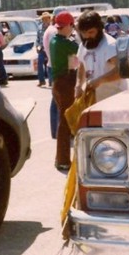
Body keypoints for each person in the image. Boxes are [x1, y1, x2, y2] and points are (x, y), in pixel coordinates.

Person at [74, 11, 128, 102]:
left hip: (115, 98)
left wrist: (100, 80)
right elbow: (82, 65)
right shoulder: (83, 45)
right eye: (84, 33)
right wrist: (78, 85)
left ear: (99, 29)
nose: (87, 36)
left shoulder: (109, 45)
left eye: (91, 32)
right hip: (95, 99)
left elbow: (121, 71)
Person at [49, 11, 79, 170]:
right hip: (65, 83)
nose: (72, 28)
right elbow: (79, 52)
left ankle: (61, 159)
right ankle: (62, 160)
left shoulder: (54, 40)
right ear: (67, 25)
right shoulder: (66, 43)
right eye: (72, 25)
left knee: (63, 121)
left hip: (58, 83)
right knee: (65, 123)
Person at [43, 6, 67, 139]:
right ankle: (57, 131)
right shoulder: (54, 31)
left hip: (52, 65)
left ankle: (56, 131)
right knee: (58, 101)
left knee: (56, 100)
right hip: (56, 67)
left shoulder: (49, 30)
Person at [36, 12, 51, 87]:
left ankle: (51, 81)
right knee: (39, 64)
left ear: (49, 19)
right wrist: (37, 46)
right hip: (41, 48)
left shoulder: (52, 27)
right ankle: (41, 81)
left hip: (49, 48)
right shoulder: (39, 27)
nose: (44, 20)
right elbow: (37, 38)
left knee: (50, 65)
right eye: (43, 19)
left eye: (46, 18)